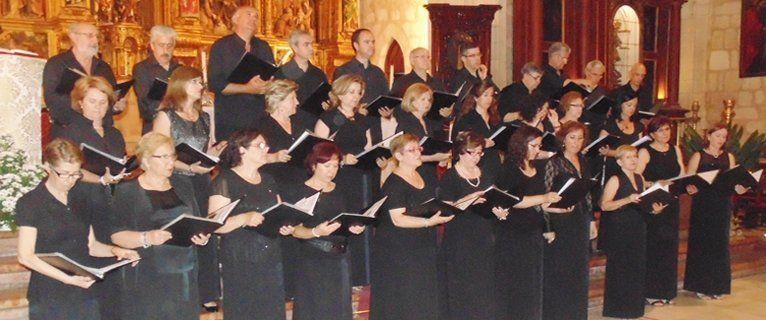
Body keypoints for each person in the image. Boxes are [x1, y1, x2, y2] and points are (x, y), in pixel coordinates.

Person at [16, 139, 139, 320]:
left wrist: (117, 251)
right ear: (47, 167)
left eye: (76, 174)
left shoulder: (81, 196)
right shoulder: (31, 203)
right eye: (65, 174)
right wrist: (67, 279)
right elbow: (25, 256)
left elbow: (91, 246)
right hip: (50, 293)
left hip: (84, 290)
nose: (71, 180)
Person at [110, 133, 211, 320]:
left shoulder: (183, 184)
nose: (170, 162)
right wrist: (147, 237)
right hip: (149, 273)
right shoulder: (128, 191)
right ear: (146, 161)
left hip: (185, 272)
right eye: (163, 157)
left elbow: (196, 220)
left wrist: (201, 236)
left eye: (172, 156)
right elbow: (116, 235)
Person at [151, 66, 226, 311]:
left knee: (205, 229)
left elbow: (205, 149)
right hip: (176, 180)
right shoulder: (166, 116)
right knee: (186, 231)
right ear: (181, 84)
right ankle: (187, 290)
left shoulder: (204, 116)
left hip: (201, 179)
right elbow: (157, 150)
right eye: (195, 81)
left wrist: (213, 154)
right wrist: (191, 167)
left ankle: (207, 291)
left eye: (201, 82)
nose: (200, 86)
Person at [208, 129, 294, 319]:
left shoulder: (269, 180)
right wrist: (244, 218)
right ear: (241, 150)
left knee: (271, 310)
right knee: (246, 310)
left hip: (271, 256)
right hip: (241, 258)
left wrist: (286, 225)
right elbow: (215, 224)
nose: (266, 149)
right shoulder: (225, 179)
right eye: (260, 145)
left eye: (266, 145)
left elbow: (279, 212)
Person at [370, 133, 453, 320]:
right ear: (398, 156)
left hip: (422, 244)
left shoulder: (423, 174)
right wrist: (428, 222)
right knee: (406, 296)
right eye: (412, 150)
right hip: (399, 249)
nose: (418, 153)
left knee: (423, 294)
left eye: (419, 149)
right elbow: (398, 219)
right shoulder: (394, 183)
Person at [284, 141, 366, 320]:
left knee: (340, 309)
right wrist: (315, 232)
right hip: (313, 258)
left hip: (340, 258)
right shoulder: (299, 191)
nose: (332, 170)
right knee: (315, 309)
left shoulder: (341, 190)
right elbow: (294, 230)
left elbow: (346, 219)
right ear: (314, 165)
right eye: (327, 165)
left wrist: (354, 227)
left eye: (336, 166)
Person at [494, 126, 561, 320]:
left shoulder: (536, 167)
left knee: (533, 283)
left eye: (539, 146)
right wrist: (544, 197)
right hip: (513, 233)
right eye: (533, 145)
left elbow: (540, 203)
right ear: (521, 145)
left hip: (532, 231)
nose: (537, 150)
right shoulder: (509, 168)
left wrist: (557, 207)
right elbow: (514, 200)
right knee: (517, 283)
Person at [314, 74, 375, 286]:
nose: (355, 97)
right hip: (337, 177)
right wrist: (341, 159)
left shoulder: (363, 119)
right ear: (339, 93)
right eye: (351, 92)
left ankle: (361, 276)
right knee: (342, 221)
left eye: (358, 93)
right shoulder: (328, 118)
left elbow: (368, 147)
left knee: (360, 220)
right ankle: (343, 275)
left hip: (361, 176)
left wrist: (376, 157)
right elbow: (318, 151)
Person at [438, 132, 501, 320]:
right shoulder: (450, 176)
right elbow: (446, 210)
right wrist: (470, 198)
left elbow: (492, 199)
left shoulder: (486, 172)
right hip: (461, 237)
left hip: (483, 235)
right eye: (471, 153)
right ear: (460, 152)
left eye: (480, 153)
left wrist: (498, 210)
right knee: (463, 285)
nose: (476, 157)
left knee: (483, 283)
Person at [599, 145, 667, 319]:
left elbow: (642, 203)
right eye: (628, 157)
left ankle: (634, 309)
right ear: (620, 161)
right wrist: (626, 199)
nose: (633, 160)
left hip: (638, 226)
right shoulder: (615, 179)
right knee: (621, 268)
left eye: (635, 156)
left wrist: (653, 210)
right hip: (620, 227)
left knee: (636, 268)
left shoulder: (640, 178)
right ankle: (619, 310)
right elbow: (605, 205)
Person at [683, 123, 748, 300]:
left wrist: (739, 188)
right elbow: (688, 179)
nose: (721, 139)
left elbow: (733, 180)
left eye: (724, 137)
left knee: (719, 244)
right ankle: (700, 285)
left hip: (722, 203)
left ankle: (717, 285)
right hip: (703, 203)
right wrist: (690, 188)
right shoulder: (699, 155)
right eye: (718, 135)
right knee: (702, 242)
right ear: (709, 135)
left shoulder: (729, 157)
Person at [635, 116, 691, 306]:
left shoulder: (675, 149)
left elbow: (682, 174)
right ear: (651, 134)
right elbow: (637, 177)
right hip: (654, 202)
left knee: (669, 247)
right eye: (660, 130)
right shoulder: (645, 151)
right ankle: (651, 292)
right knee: (655, 248)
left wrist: (690, 182)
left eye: (667, 129)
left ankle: (667, 292)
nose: (665, 133)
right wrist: (655, 183)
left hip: (671, 202)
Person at [542, 121, 593, 320]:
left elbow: (587, 193)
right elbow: (546, 196)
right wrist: (548, 226)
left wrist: (591, 221)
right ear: (563, 138)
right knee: (561, 269)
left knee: (578, 270)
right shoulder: (554, 162)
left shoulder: (584, 160)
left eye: (580, 138)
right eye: (572, 137)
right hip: (560, 220)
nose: (576, 142)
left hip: (580, 219)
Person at [43, 23, 126, 138]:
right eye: (90, 35)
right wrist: (83, 102)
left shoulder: (104, 68)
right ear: (73, 37)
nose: (95, 40)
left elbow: (110, 98)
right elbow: (52, 100)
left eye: (97, 36)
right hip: (69, 131)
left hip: (101, 132)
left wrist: (116, 106)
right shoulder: (57, 64)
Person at [208, 6, 275, 141]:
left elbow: (273, 76)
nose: (253, 18)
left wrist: (267, 85)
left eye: (256, 16)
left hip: (258, 116)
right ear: (235, 19)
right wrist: (248, 88)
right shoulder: (221, 46)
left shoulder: (263, 47)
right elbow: (215, 84)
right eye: (249, 14)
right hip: (231, 117)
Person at [60, 76, 127, 186]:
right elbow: (67, 169)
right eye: (92, 101)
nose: (98, 107)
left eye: (103, 102)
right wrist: (101, 180)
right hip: (83, 194)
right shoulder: (70, 132)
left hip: (114, 194)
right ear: (81, 102)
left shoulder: (115, 134)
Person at [332, 28, 392, 143]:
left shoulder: (378, 72)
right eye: (367, 42)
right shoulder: (343, 70)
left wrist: (387, 111)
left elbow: (386, 97)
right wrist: (356, 108)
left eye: (373, 42)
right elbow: (336, 100)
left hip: (374, 126)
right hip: (351, 126)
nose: (371, 45)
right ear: (356, 45)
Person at [273, 29, 328, 128]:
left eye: (311, 44)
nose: (311, 48)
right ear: (295, 47)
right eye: (306, 45)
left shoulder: (318, 73)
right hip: (291, 124)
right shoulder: (281, 73)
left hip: (315, 124)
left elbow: (326, 98)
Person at [133, 25, 181, 134]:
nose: (165, 50)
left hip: (179, 127)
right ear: (152, 46)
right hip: (154, 126)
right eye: (161, 45)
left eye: (169, 46)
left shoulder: (179, 69)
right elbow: (145, 102)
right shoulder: (142, 68)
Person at [453, 80, 503, 181]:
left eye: (491, 95)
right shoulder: (467, 119)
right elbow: (459, 143)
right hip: (477, 163)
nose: (489, 99)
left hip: (494, 162)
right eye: (485, 95)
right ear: (476, 97)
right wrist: (482, 143)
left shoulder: (495, 117)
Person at [395, 83, 451, 165]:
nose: (427, 103)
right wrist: (433, 158)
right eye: (423, 99)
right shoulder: (405, 123)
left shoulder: (428, 122)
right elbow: (405, 155)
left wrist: (441, 158)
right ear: (412, 101)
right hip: (413, 170)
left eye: (429, 100)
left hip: (429, 169)